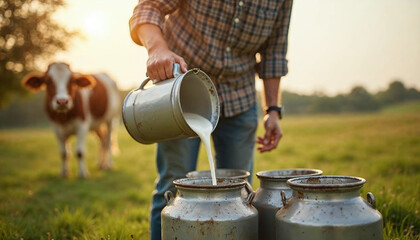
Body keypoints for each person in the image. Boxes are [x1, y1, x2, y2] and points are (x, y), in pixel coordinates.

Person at [129, 0, 293, 239]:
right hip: (182, 96)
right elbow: (147, 8)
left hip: (239, 97)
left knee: (238, 197)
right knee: (173, 191)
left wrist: (273, 110)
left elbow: (274, 53)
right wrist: (157, 49)